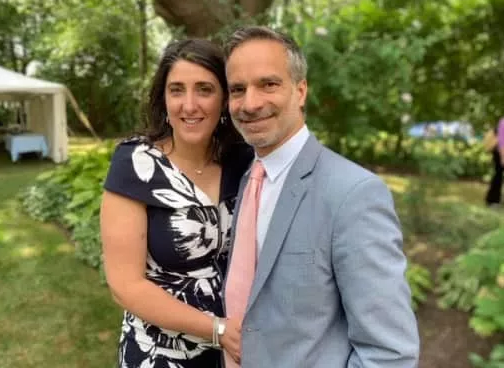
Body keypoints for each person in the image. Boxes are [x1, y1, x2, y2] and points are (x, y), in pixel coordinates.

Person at [223, 26, 420, 368]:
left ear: (300, 91)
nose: (250, 104)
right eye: (238, 89)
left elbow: (391, 353)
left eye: (268, 84)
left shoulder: (353, 194)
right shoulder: (247, 180)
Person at [100, 38, 252, 368]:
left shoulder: (243, 161)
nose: (189, 105)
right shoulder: (136, 164)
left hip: (237, 351)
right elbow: (125, 285)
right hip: (161, 353)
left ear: (225, 98)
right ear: (164, 99)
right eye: (177, 90)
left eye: (204, 90)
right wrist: (217, 330)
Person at [485, 118, 504, 206]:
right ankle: (492, 200)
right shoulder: (503, 122)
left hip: (500, 152)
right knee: (498, 176)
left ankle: (494, 200)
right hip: (499, 153)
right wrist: (502, 157)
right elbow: (502, 142)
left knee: (498, 176)